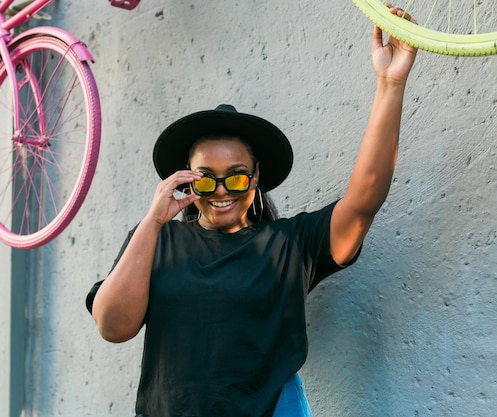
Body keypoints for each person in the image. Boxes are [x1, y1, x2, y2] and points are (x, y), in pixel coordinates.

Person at [86, 6, 418, 417]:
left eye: (237, 176)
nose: (221, 190)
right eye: (206, 178)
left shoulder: (288, 246)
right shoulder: (158, 241)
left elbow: (365, 198)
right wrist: (153, 222)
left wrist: (390, 83)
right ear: (186, 179)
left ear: (257, 176)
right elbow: (113, 326)